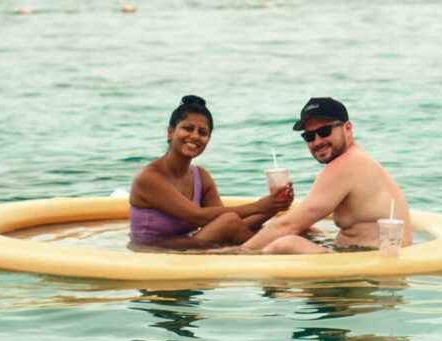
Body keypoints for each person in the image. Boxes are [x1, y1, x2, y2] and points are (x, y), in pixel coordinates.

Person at [240, 96, 411, 253]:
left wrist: (236, 253)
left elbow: (288, 226)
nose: (317, 141)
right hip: (371, 252)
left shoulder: (345, 166)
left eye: (324, 132)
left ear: (348, 128)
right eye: (309, 136)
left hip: (375, 261)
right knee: (303, 230)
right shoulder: (358, 158)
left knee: (285, 243)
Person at [128, 94, 294, 249]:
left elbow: (228, 222)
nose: (195, 136)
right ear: (171, 132)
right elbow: (198, 217)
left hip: (189, 247)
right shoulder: (148, 177)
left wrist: (273, 206)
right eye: (188, 128)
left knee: (280, 225)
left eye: (202, 132)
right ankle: (270, 253)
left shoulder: (200, 176)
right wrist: (258, 206)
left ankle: (272, 248)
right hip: (153, 252)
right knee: (237, 223)